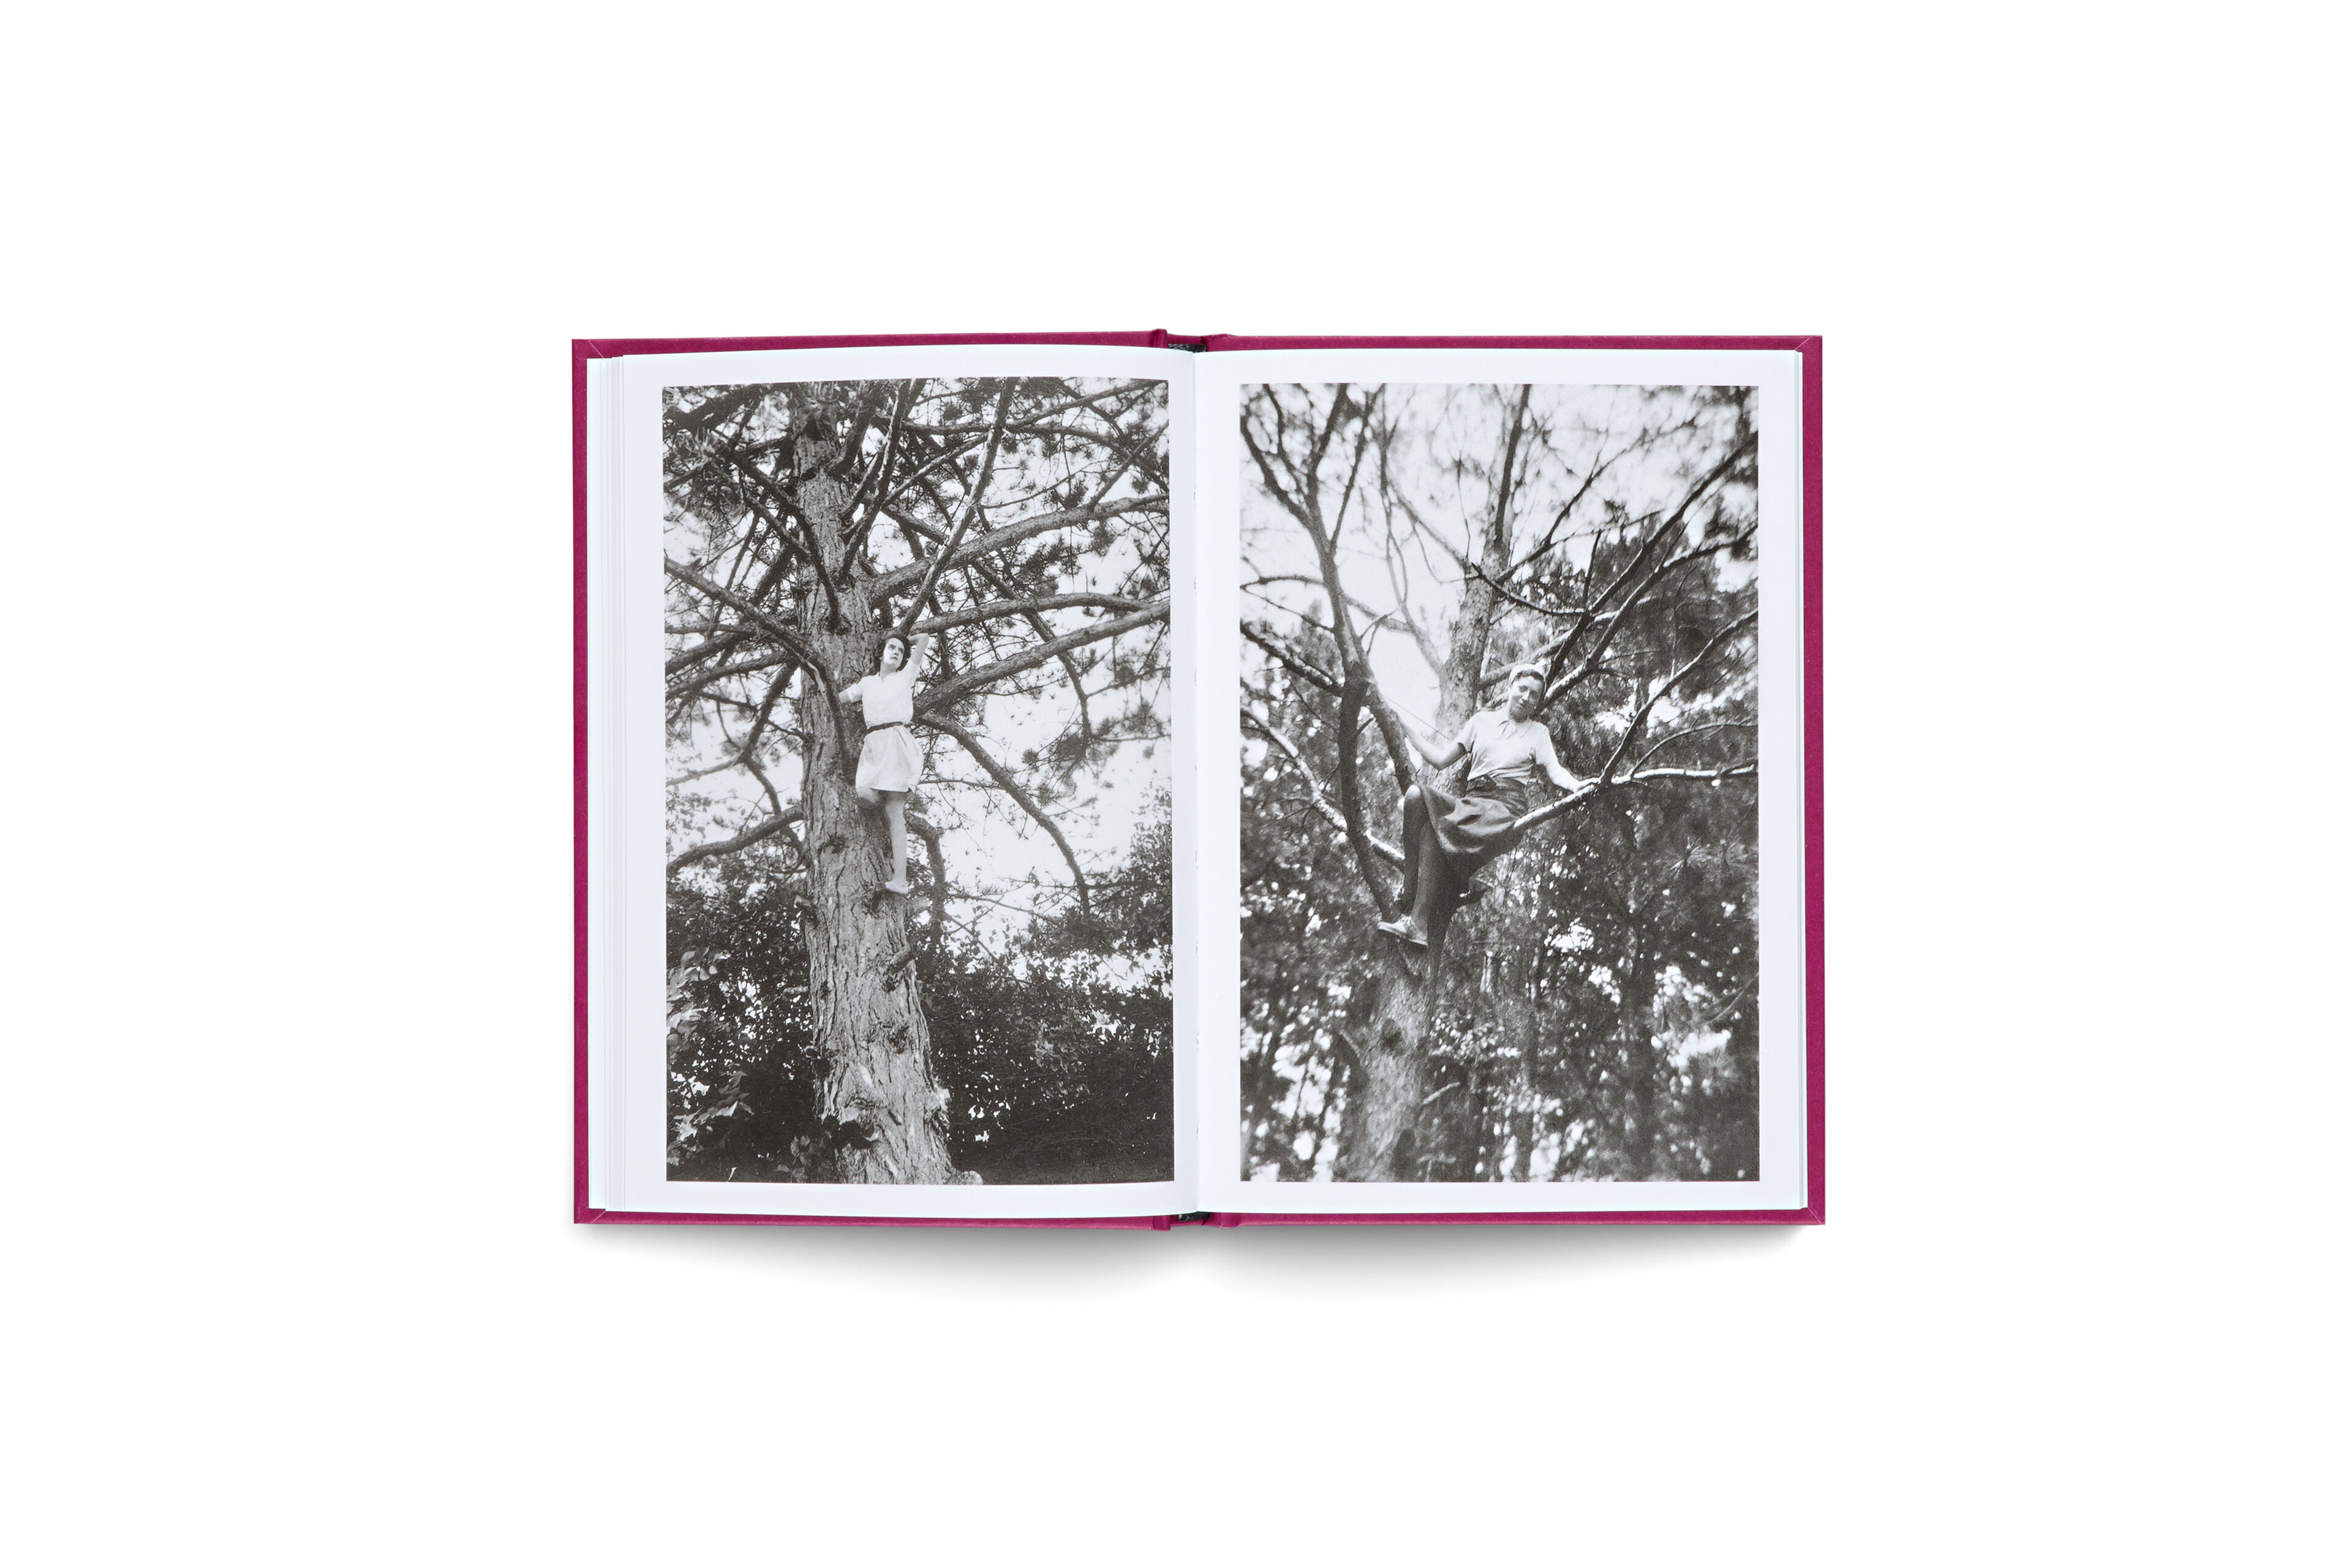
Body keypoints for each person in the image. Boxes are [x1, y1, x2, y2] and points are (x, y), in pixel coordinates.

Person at [1376, 662, 1580, 951]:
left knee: (1439, 829)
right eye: (1522, 689)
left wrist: (1576, 785)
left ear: (1538, 701)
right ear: (1510, 686)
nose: (1526, 697)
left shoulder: (1538, 733)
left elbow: (1556, 771)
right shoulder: (1481, 722)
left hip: (1504, 808)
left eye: (1534, 694)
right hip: (1472, 803)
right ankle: (1410, 888)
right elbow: (1440, 759)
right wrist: (1405, 728)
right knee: (1414, 796)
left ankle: (1417, 925)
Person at [841, 630, 934, 896]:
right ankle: (884, 800)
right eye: (891, 648)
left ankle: (900, 881)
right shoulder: (867, 683)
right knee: (863, 795)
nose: (896, 653)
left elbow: (925, 638)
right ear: (880, 653)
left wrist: (903, 639)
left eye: (901, 652)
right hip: (874, 745)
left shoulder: (905, 676)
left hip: (897, 742)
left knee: (895, 814)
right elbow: (840, 698)